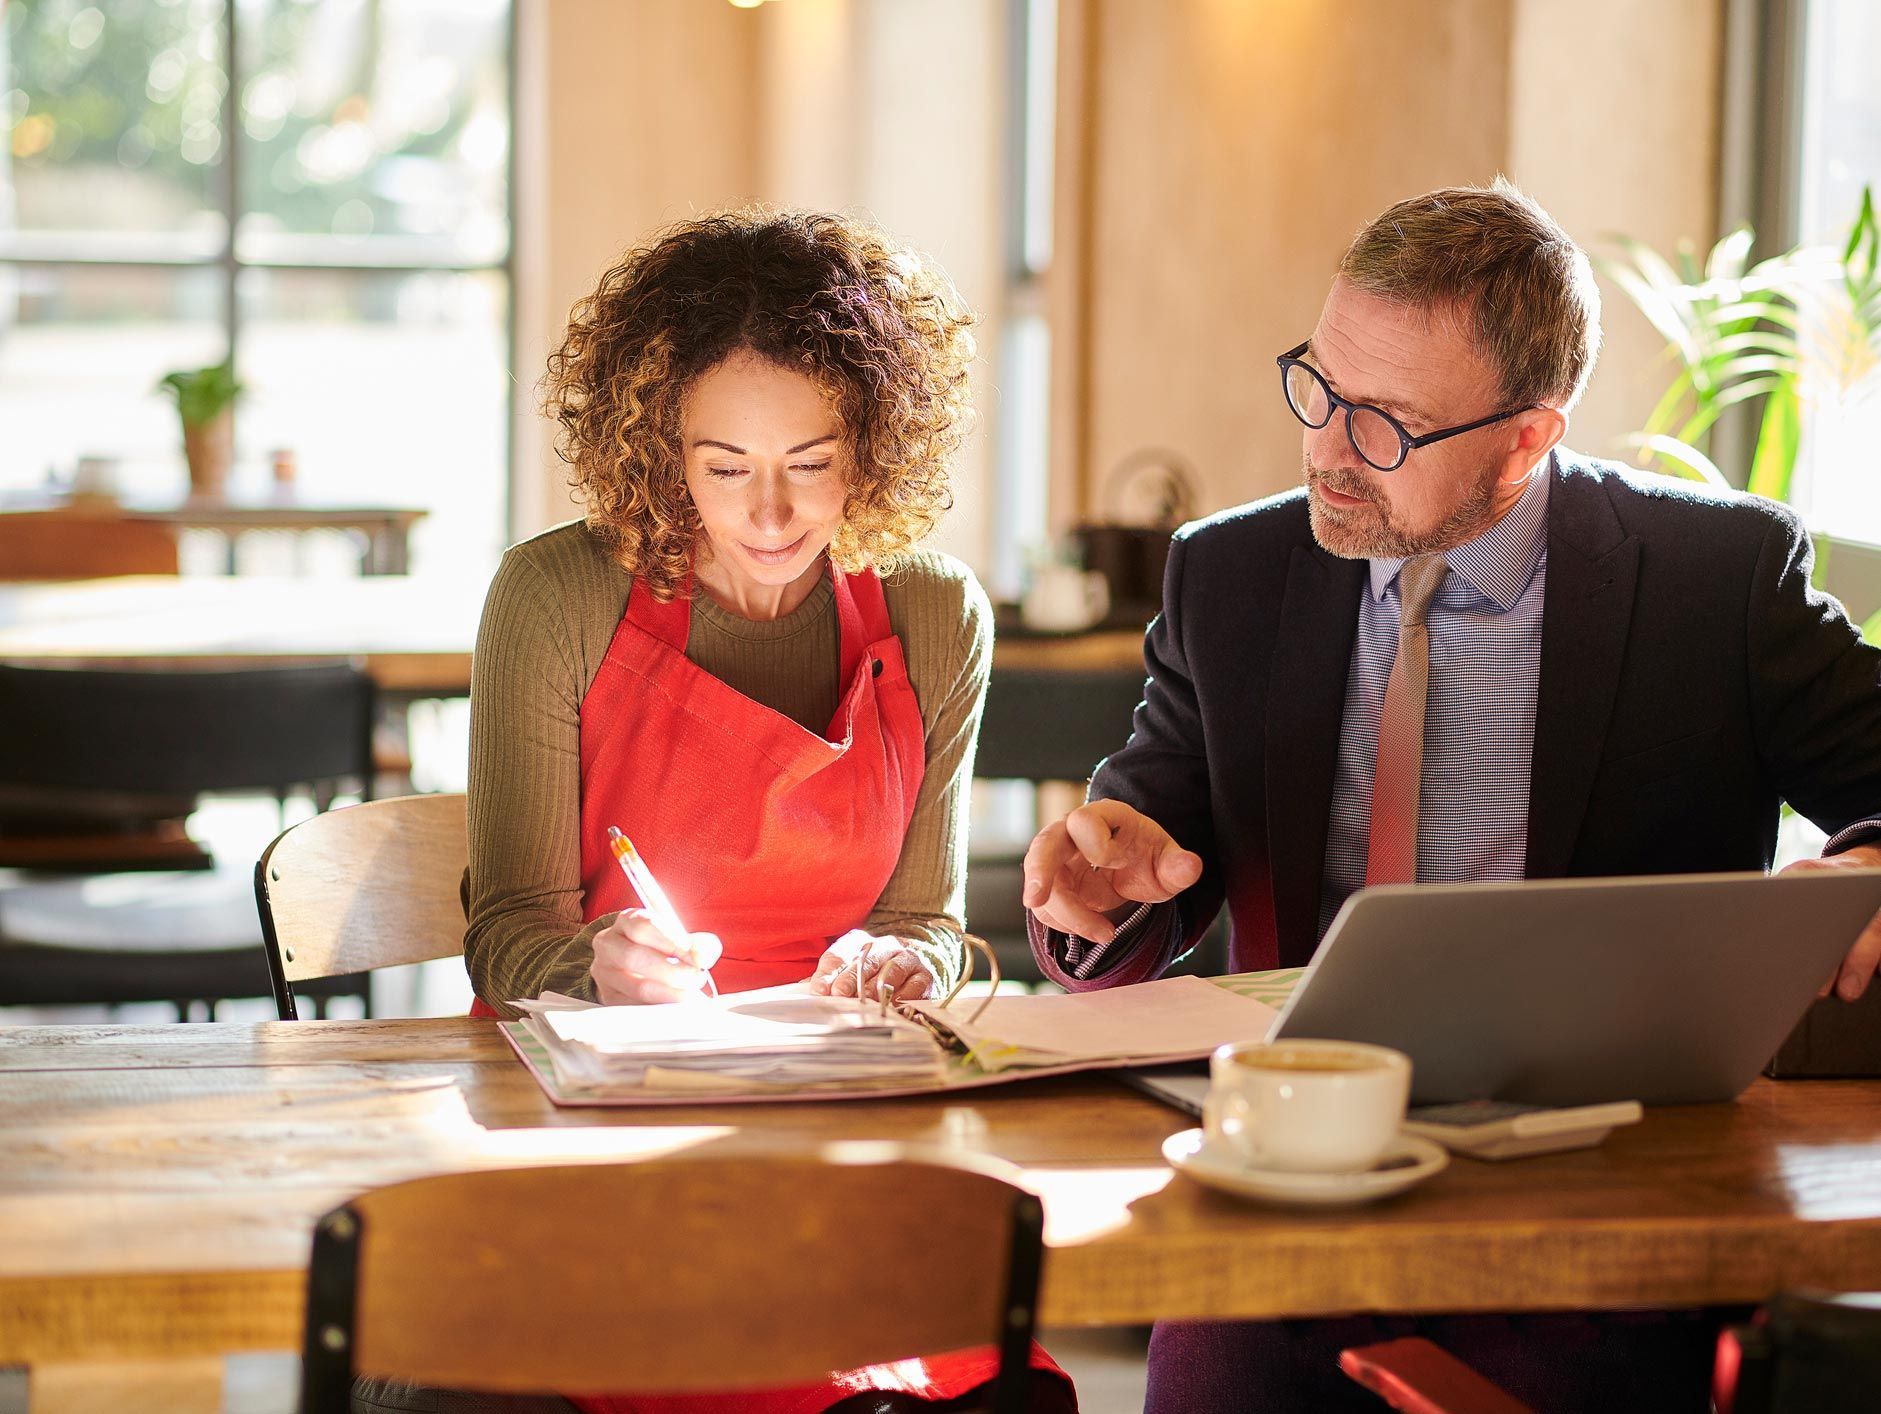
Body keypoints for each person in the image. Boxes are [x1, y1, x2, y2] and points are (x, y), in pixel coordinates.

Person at [1021, 180, 1881, 1414]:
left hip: (1593, 1204)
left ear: (1528, 436)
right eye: (1318, 387)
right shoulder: (1232, 571)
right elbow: (1139, 850)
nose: (1324, 448)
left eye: (1383, 424)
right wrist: (1096, 895)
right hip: (1285, 1200)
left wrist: (1866, 863)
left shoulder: (1715, 581)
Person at [394, 211, 1074, 1413]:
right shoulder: (556, 596)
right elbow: (504, 936)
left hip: (844, 1124)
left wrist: (899, 960)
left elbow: (928, 919)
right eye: (725, 468)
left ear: (872, 447)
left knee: (969, 1360)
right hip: (597, 1124)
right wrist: (595, 967)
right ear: (659, 451)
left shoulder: (932, 610)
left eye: (811, 464)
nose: (770, 514)